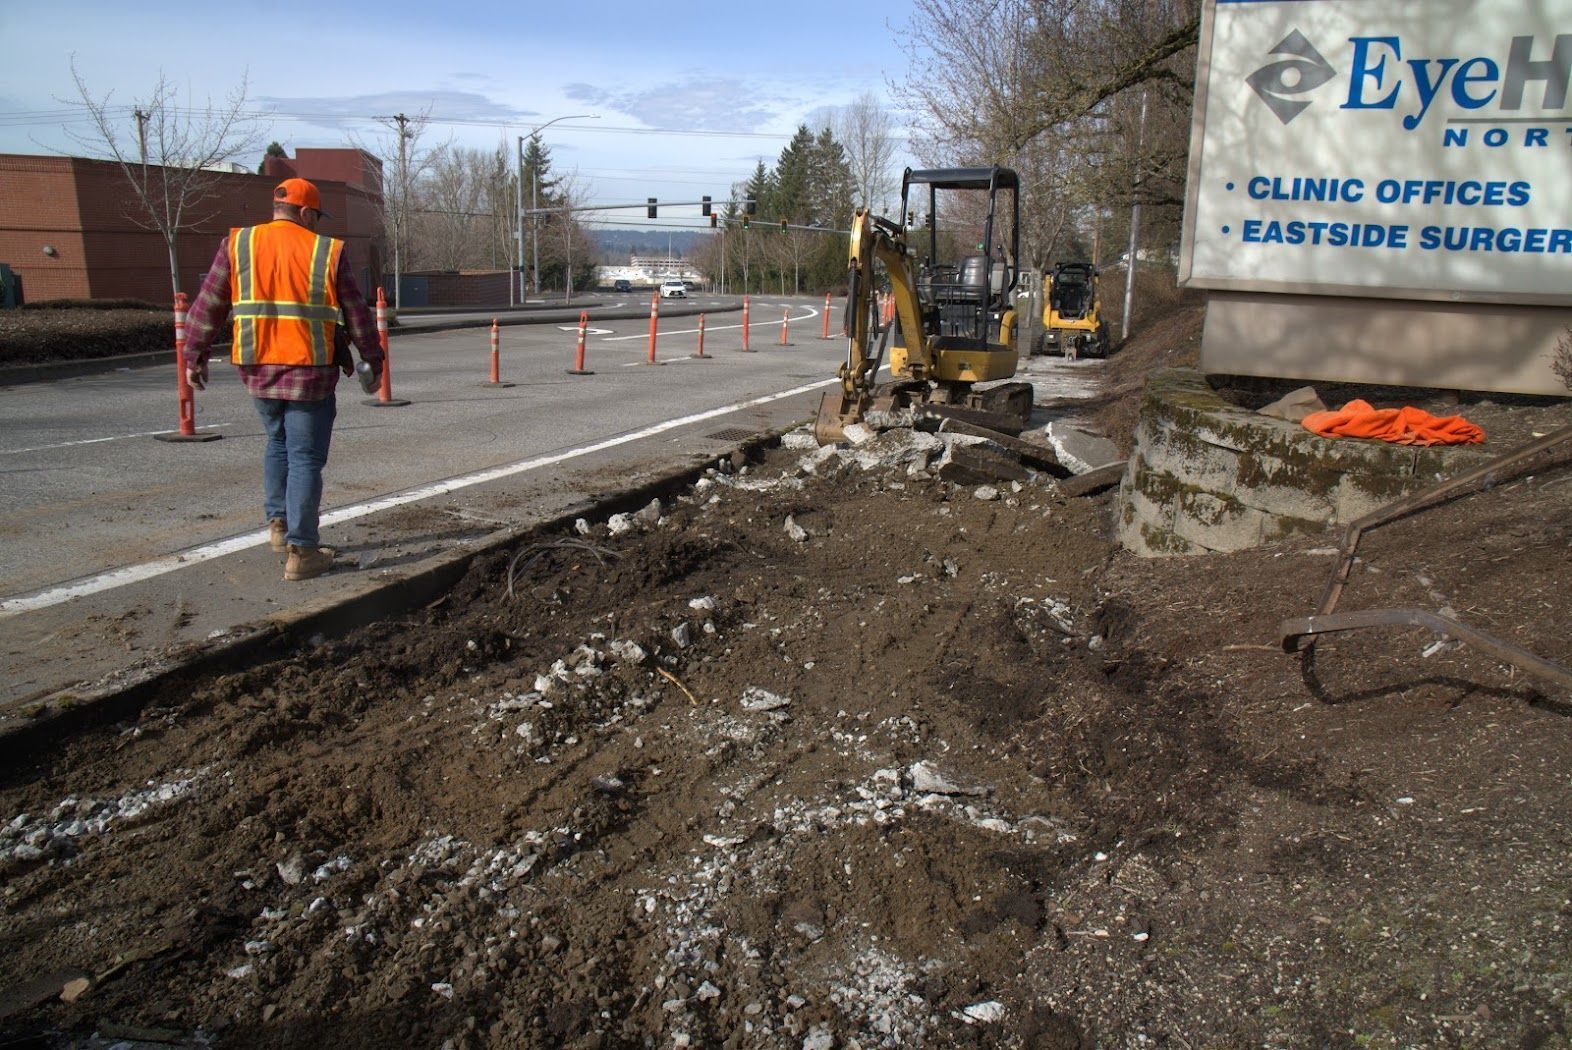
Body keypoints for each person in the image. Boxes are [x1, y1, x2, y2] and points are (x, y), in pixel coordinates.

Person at [182, 177, 384, 581]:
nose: (316, 225)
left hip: (256, 367)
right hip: (309, 369)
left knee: (277, 443)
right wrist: (372, 358)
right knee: (305, 456)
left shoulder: (239, 244)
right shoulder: (325, 250)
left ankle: (278, 528)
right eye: (316, 217)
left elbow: (208, 304)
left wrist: (195, 355)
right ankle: (302, 550)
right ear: (306, 213)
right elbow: (356, 311)